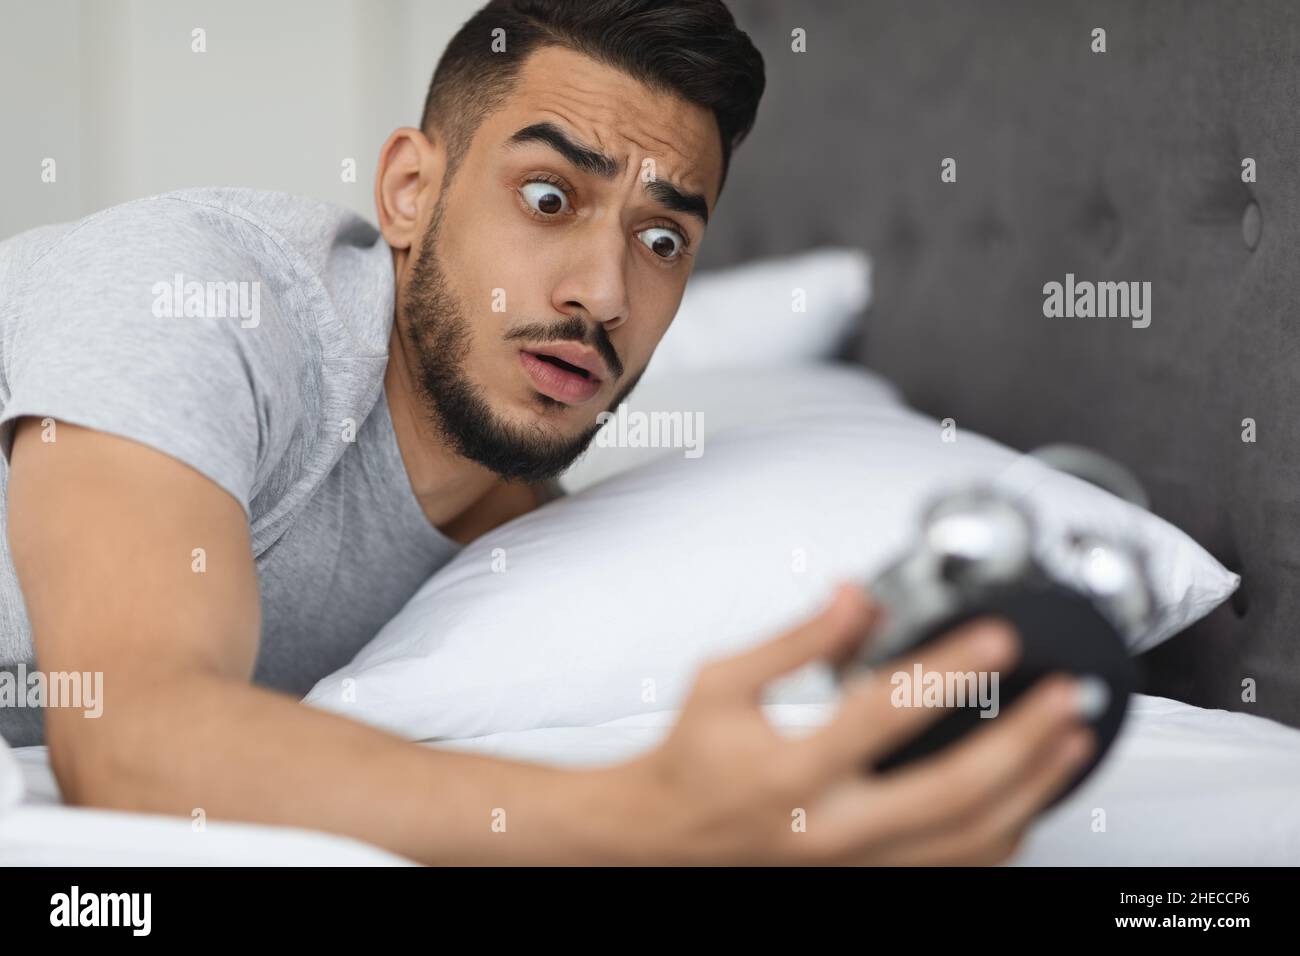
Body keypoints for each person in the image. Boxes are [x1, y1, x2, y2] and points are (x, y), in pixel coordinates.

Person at [0, 0, 1094, 864]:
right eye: (548, 197)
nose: (603, 292)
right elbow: (130, 739)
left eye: (663, 237)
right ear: (409, 190)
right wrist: (644, 817)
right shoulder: (196, 297)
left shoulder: (528, 557)